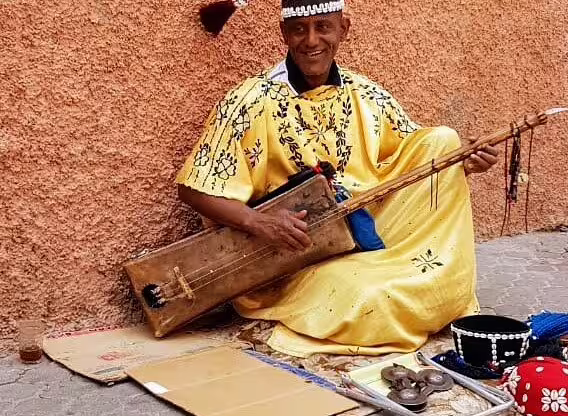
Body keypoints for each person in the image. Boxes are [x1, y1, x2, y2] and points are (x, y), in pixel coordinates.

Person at [176, 0, 500, 357]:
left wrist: (461, 162)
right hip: (296, 258)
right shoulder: (250, 101)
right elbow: (193, 189)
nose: (311, 40)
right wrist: (258, 222)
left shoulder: (366, 93)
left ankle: (421, 287)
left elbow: (418, 158)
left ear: (343, 29)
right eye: (299, 29)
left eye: (323, 27)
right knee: (367, 297)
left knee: (443, 140)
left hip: (370, 236)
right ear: (284, 34)